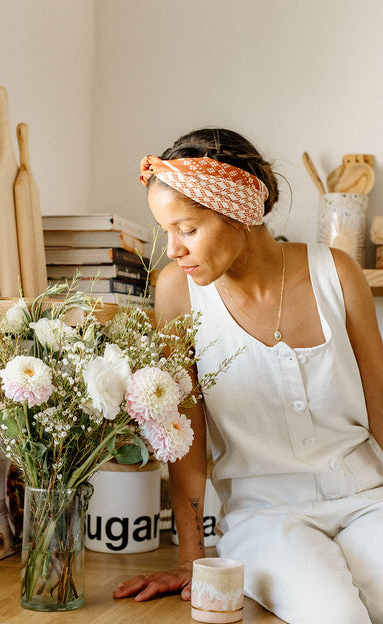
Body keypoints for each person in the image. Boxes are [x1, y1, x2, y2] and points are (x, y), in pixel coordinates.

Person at [113, 128, 383, 624]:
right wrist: (191, 560)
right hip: (266, 517)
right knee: (338, 616)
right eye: (165, 231)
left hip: (368, 500)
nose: (172, 249)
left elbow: (381, 409)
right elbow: (185, 438)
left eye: (188, 229)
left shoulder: (337, 273)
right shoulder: (177, 293)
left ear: (239, 211)